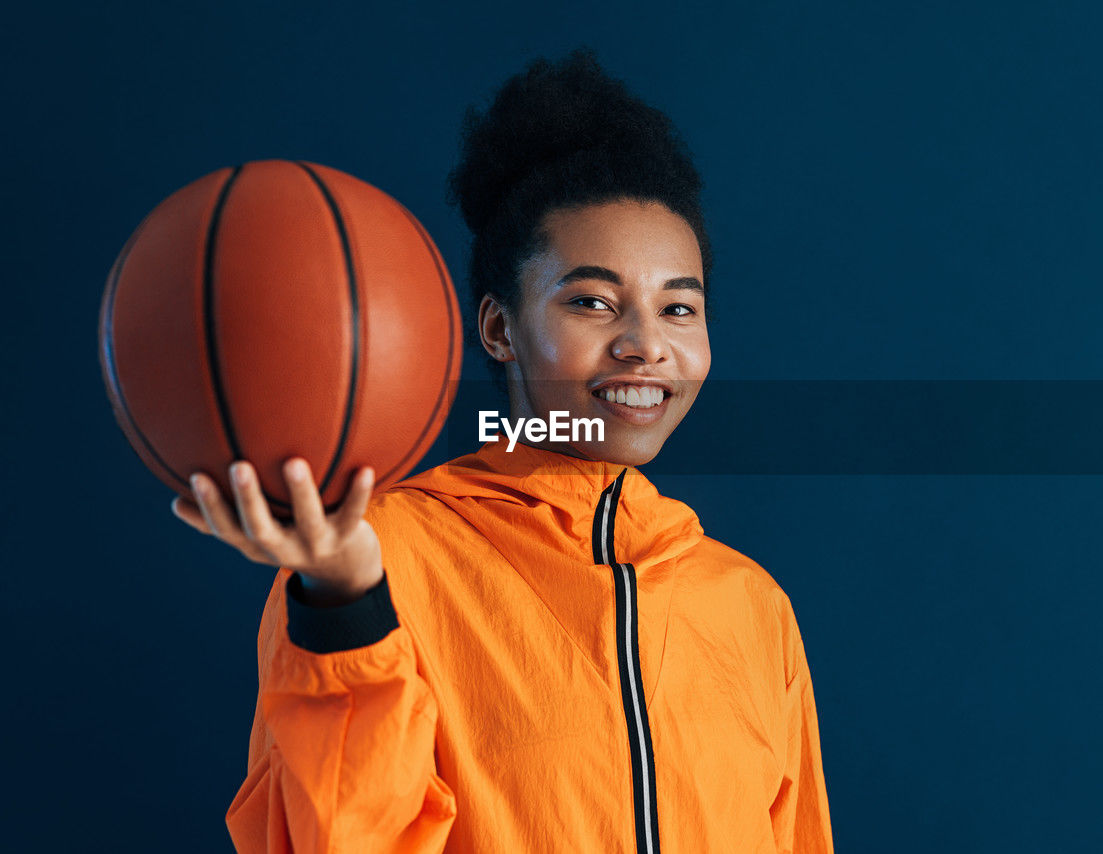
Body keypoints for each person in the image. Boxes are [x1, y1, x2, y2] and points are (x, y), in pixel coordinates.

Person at [173, 47, 834, 853]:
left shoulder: (750, 607)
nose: (646, 345)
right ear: (499, 327)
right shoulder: (376, 558)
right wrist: (344, 598)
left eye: (679, 309)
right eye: (592, 301)